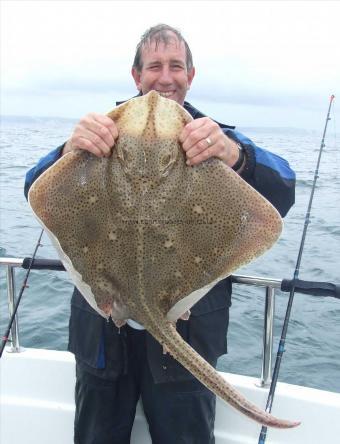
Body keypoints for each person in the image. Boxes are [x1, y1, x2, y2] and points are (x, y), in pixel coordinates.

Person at [25, 24, 295, 444]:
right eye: (154, 66)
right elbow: (35, 189)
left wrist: (235, 155)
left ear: (191, 75)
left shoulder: (214, 137)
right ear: (137, 76)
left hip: (185, 332)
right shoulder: (101, 134)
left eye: (175, 66)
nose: (165, 77)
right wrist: (66, 151)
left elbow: (283, 191)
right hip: (103, 331)